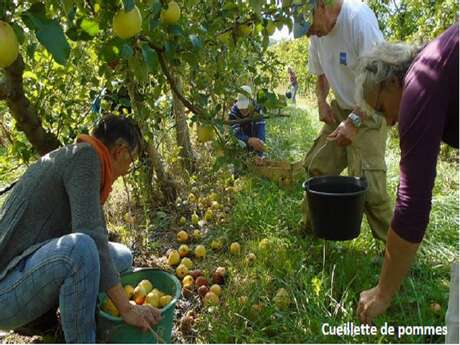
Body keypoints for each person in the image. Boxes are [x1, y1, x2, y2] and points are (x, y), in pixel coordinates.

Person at [0, 115, 161, 343]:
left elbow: (96, 235)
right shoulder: (85, 157)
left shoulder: (79, 156)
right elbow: (92, 236)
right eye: (132, 160)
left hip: (22, 275)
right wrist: (127, 309)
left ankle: (55, 320)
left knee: (122, 257)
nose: (128, 168)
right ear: (120, 150)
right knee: (82, 248)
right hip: (5, 293)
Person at [354, 25, 458, 343]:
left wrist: (383, 292)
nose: (389, 122)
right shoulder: (439, 57)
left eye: (382, 108)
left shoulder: (418, 82)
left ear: (391, 82)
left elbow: (412, 202)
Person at [293, 0, 392, 241]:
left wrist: (354, 121)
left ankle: (395, 252)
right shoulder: (317, 34)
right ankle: (309, 230)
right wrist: (321, 101)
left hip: (369, 110)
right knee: (316, 167)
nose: (311, 35)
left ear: (321, 6)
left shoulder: (359, 21)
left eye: (311, 28)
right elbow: (320, 74)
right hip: (340, 110)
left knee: (370, 188)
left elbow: (380, 83)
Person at [229, 85, 266, 165]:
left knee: (257, 159)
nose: (244, 109)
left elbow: (260, 130)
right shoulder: (234, 113)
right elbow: (235, 132)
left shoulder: (257, 109)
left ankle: (256, 158)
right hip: (241, 143)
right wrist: (248, 140)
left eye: (246, 107)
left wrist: (260, 153)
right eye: (241, 107)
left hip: (253, 135)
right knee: (240, 159)